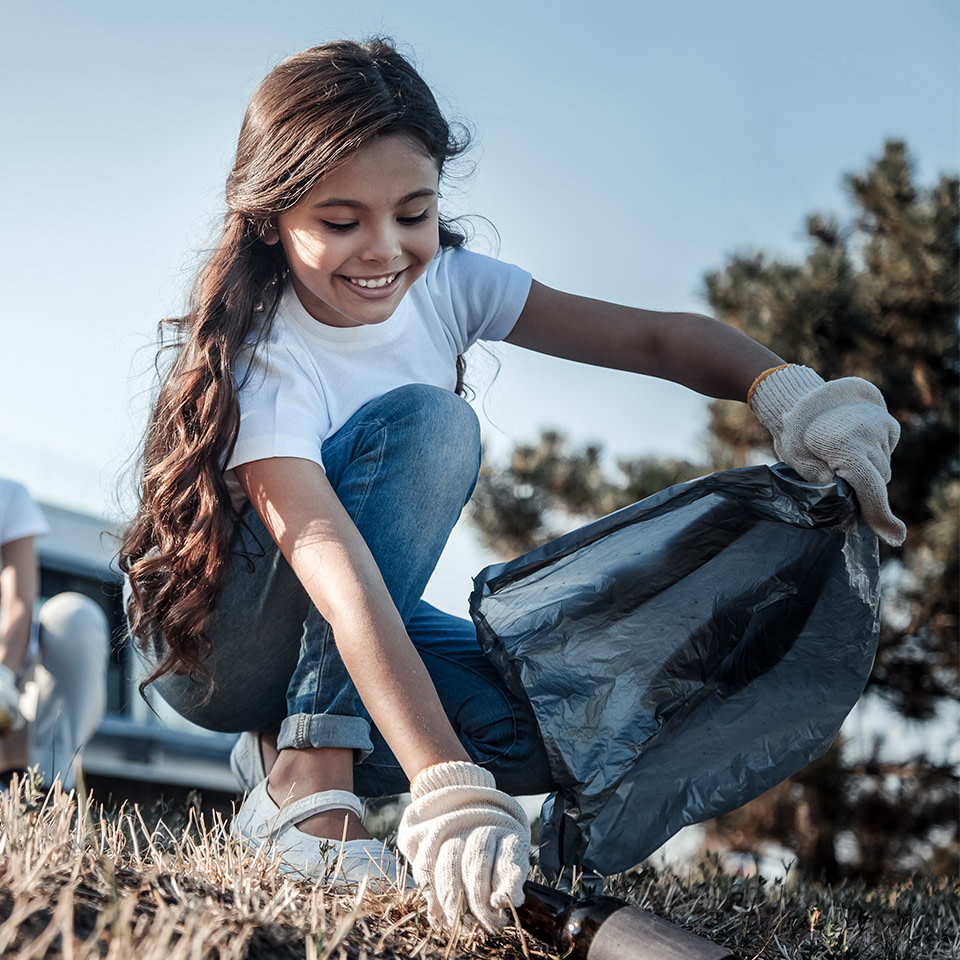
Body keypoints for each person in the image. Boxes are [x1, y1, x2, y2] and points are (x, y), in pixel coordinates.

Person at [119, 39, 905, 933]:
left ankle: (284, 749)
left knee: (542, 730)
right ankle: (312, 774)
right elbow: (336, 570)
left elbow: (651, 339)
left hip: (340, 621)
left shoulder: (449, 286)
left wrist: (793, 397)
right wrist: (442, 781)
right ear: (269, 219)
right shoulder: (269, 353)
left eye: (412, 212)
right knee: (431, 428)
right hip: (211, 637)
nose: (383, 250)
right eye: (341, 222)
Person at [0, 478, 109, 791]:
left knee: (75, 616)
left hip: (21, 686)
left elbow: (19, 603)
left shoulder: (8, 496)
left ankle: (50, 787)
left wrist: (3, 677)